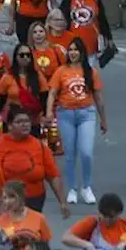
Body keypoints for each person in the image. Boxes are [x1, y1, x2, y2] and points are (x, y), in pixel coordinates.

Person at [46, 38, 106, 206]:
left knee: (86, 152)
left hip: (86, 113)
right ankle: (72, 188)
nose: (73, 53)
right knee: (70, 154)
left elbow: (98, 97)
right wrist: (49, 111)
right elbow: (52, 93)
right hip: (65, 113)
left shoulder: (90, 71)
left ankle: (86, 187)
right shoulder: (61, 71)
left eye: (76, 50)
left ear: (82, 53)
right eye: (70, 50)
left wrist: (103, 119)